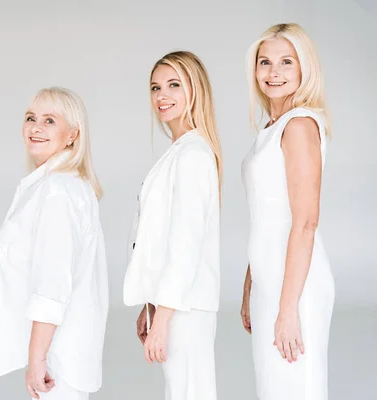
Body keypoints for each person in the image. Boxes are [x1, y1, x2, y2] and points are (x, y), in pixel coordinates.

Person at [0, 87, 109, 400]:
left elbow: (52, 284)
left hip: (57, 358)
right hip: (60, 352)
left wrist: (37, 359)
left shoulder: (57, 191)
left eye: (49, 120)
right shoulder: (57, 185)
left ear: (72, 135)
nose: (35, 127)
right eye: (30, 118)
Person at [240, 23, 335, 399]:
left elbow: (306, 222)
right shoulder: (270, 127)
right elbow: (266, 215)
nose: (273, 72)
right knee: (273, 388)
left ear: (303, 69)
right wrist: (251, 283)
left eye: (285, 62)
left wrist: (288, 308)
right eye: (265, 62)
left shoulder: (298, 126)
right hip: (270, 282)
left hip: (297, 288)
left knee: (297, 389)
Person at [123, 51, 222, 400]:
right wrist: (150, 306)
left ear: (195, 89)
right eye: (155, 87)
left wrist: (162, 318)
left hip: (186, 307)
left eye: (174, 85)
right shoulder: (179, 151)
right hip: (173, 304)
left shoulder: (193, 155)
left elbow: (186, 243)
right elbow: (158, 238)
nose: (162, 95)